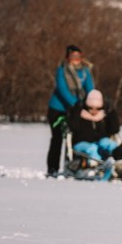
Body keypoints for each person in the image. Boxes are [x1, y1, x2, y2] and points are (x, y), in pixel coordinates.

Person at [46, 44, 95, 176]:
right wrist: (74, 104)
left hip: (75, 110)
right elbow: (63, 90)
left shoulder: (85, 71)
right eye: (73, 56)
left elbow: (90, 89)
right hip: (58, 109)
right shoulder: (62, 70)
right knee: (57, 138)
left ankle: (75, 165)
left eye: (78, 56)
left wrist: (92, 103)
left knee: (77, 137)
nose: (76, 59)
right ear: (68, 58)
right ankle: (53, 168)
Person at [65, 89, 122, 167]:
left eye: (97, 108)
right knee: (93, 148)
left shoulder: (103, 116)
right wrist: (77, 109)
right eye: (90, 108)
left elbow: (114, 129)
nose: (94, 111)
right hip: (81, 143)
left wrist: (111, 111)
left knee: (108, 143)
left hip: (99, 142)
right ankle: (95, 166)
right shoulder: (79, 114)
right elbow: (73, 127)